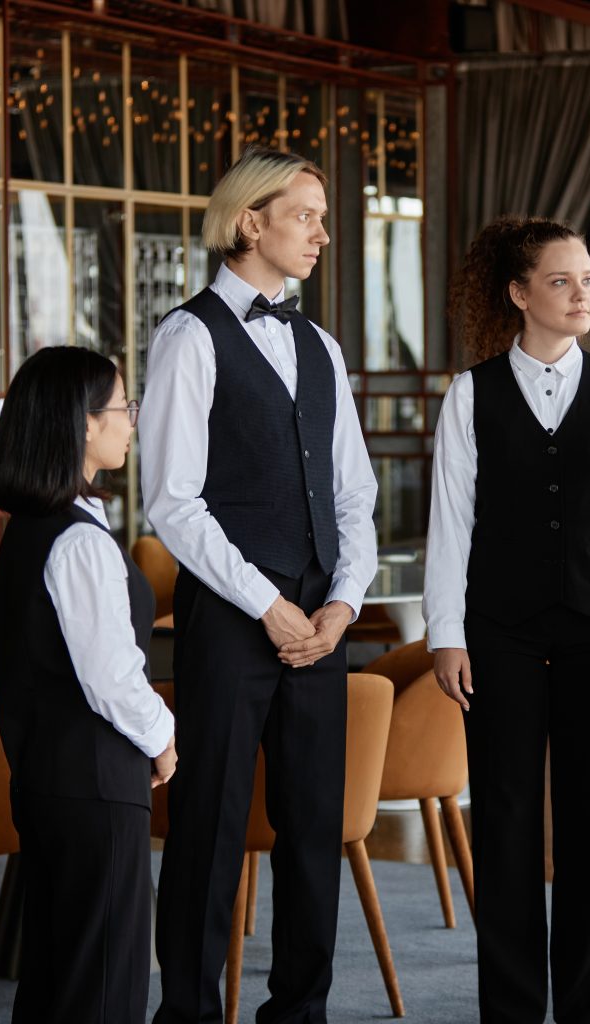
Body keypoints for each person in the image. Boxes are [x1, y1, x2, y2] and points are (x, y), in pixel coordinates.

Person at [140, 146, 378, 1024]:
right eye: (306, 214)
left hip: (321, 620)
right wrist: (268, 605)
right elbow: (173, 501)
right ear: (251, 222)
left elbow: (355, 492)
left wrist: (342, 602)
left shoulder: (321, 345)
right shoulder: (188, 335)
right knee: (207, 829)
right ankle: (192, 1015)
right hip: (237, 620)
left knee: (312, 832)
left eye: (321, 216)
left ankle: (299, 1012)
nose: (321, 231)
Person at [424, 217, 590, 1024]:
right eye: (563, 281)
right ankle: (509, 1009)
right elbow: (450, 522)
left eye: (589, 280)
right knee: (501, 817)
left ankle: (586, 1009)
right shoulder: (471, 395)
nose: (582, 296)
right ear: (520, 293)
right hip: (497, 628)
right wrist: (447, 635)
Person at [0, 345, 177, 1024]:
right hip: (95, 785)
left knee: (59, 974)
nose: (132, 420)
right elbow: (111, 677)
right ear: (82, 426)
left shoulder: (31, 530)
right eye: (123, 407)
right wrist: (164, 737)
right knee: (102, 983)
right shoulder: (79, 541)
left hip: (47, 777)